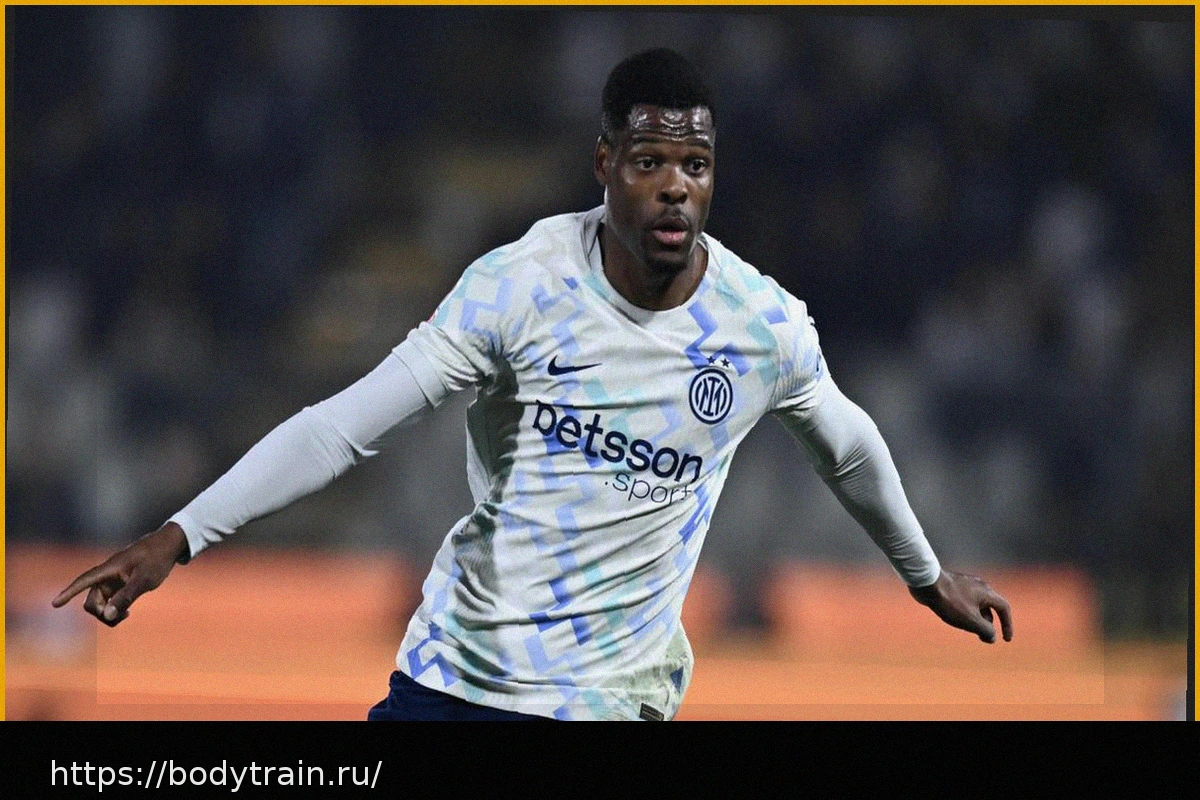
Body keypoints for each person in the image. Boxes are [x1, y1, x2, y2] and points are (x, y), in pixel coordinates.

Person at [54, 48, 1013, 721]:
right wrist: (180, 536)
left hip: (609, 702)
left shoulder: (760, 327)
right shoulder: (519, 288)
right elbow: (343, 427)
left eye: (695, 165)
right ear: (605, 166)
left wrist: (926, 576)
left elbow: (848, 447)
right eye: (649, 162)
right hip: (456, 680)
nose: (675, 187)